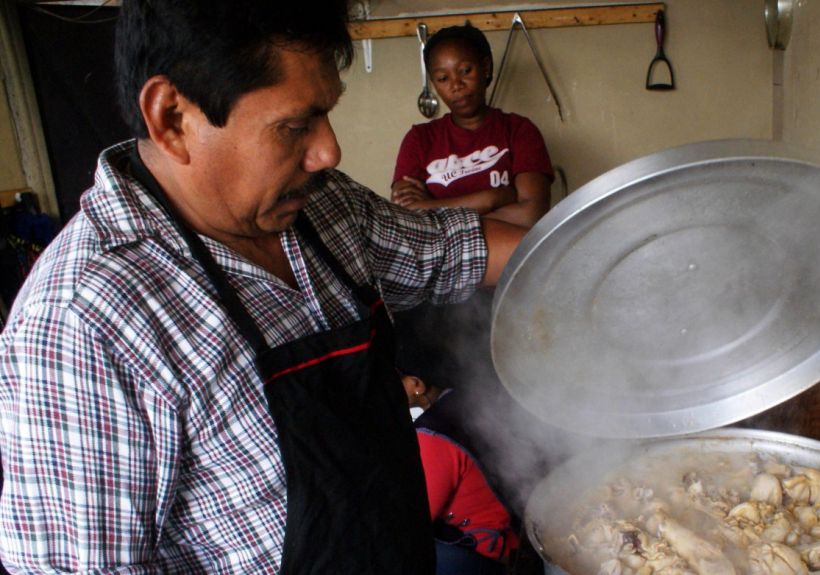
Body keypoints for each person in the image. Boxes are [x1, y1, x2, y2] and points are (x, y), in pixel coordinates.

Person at [0, 1, 527, 573]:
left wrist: (611, 255)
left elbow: (451, 248)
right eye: (296, 126)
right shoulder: (82, 322)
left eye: (327, 115)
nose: (329, 151)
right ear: (172, 117)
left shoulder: (322, 207)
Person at [391, 24, 554, 228]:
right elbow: (406, 219)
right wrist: (492, 199)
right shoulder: (419, 139)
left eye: (465, 71)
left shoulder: (519, 130)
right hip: (443, 261)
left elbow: (531, 216)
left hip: (509, 258)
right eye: (443, 78)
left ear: (485, 68)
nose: (456, 85)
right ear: (434, 83)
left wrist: (432, 209)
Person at [396, 338, 520, 575]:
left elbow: (418, 517)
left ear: (416, 384)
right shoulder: (469, 397)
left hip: (489, 548)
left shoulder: (432, 436)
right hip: (517, 523)